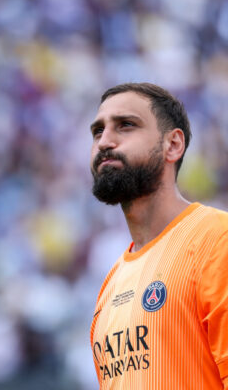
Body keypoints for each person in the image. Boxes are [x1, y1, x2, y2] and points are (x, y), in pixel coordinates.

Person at [89, 82, 228, 389]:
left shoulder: (217, 240)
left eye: (125, 125)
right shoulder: (111, 286)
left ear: (173, 145)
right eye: (98, 131)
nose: (104, 142)